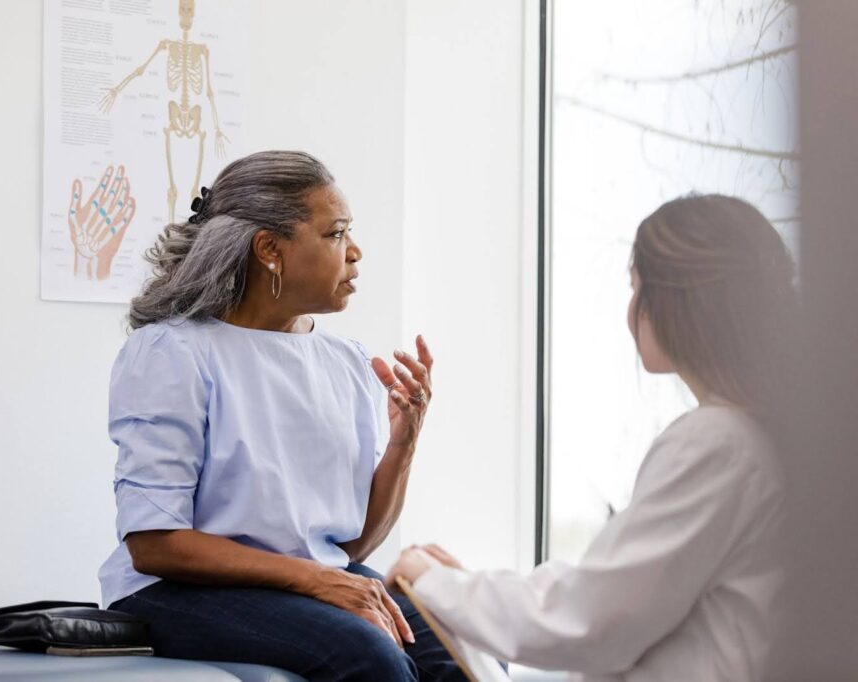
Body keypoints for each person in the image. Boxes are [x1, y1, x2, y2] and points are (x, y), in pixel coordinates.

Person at [388, 194, 797, 681]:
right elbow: (616, 592)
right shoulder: (765, 441)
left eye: (636, 288)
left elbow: (591, 618)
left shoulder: (719, 444)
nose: (630, 312)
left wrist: (437, 585)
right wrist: (465, 586)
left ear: (671, 300)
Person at [99, 150, 463, 681]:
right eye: (336, 233)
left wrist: (404, 442)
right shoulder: (173, 354)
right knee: (371, 658)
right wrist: (313, 580)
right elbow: (154, 544)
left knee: (459, 644)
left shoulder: (348, 362)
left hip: (302, 582)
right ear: (270, 249)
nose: (356, 253)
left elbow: (349, 545)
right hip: (174, 592)